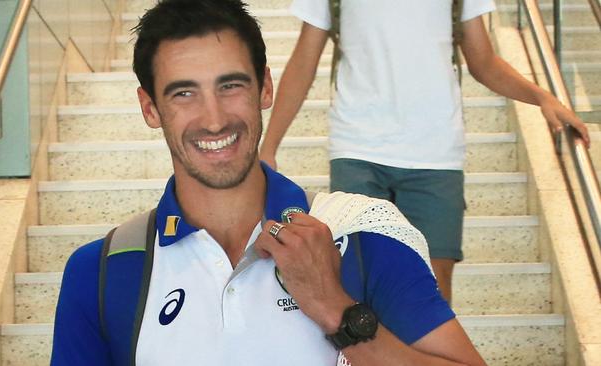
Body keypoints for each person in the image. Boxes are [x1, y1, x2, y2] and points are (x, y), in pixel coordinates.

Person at [50, 0, 488, 364]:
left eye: (231, 86)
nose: (214, 118)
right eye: (184, 93)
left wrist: (337, 310)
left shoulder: (357, 237)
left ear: (265, 89)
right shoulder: (103, 271)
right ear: (149, 108)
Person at [259, 0, 591, 303]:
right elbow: (305, 60)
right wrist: (269, 145)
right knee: (358, 283)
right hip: (358, 147)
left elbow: (483, 62)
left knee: (432, 289)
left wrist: (543, 98)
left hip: (435, 154)